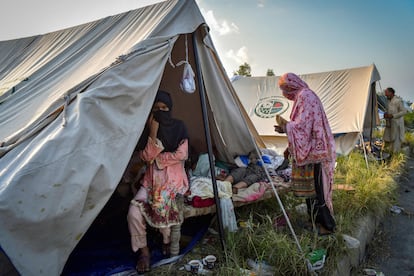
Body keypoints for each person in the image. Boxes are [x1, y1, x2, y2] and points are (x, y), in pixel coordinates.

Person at [127, 90, 189, 273]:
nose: (161, 111)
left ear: (170, 109)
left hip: (173, 181)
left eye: (164, 107)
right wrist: (153, 133)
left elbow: (182, 154)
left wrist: (159, 159)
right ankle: (144, 252)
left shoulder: (179, 127)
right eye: (157, 108)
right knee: (133, 212)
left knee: (163, 206)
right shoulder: (147, 129)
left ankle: (166, 241)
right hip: (151, 181)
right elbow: (146, 157)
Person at [274, 72, 336, 235]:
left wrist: (285, 128)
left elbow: (303, 127)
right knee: (312, 189)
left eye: (285, 89)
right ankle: (315, 222)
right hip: (314, 150)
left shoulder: (305, 96)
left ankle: (327, 226)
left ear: (292, 86)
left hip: (316, 152)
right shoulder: (305, 96)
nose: (284, 94)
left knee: (318, 190)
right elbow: (303, 126)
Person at [383, 87, 408, 154]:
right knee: (387, 140)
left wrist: (393, 116)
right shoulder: (388, 101)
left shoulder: (398, 101)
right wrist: (385, 114)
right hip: (389, 125)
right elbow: (387, 111)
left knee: (395, 144)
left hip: (397, 126)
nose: (385, 95)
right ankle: (389, 157)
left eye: (387, 93)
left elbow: (404, 112)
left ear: (391, 93)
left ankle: (395, 159)